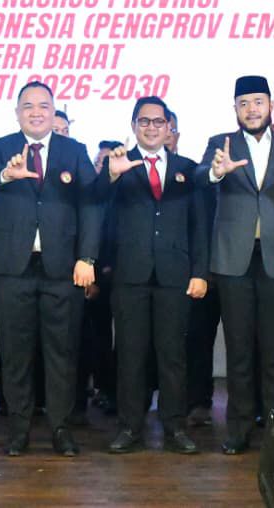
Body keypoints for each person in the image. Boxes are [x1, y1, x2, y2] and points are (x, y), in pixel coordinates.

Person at [0, 81, 101, 457]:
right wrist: (6, 175)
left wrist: (87, 257)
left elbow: (91, 204)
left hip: (62, 268)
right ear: (17, 113)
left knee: (62, 352)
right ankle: (19, 428)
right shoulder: (0, 147)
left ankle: (61, 427)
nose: (36, 112)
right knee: (16, 353)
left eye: (43, 106)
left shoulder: (73, 150)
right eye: (27, 106)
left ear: (53, 110)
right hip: (12, 268)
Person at [198, 75, 274, 454]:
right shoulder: (221, 143)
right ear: (235, 109)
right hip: (234, 260)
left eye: (258, 102)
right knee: (239, 350)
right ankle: (239, 428)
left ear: (271, 105)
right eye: (244, 103)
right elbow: (201, 179)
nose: (252, 109)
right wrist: (217, 172)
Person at [97, 97, 206, 454]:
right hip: (130, 274)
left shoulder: (188, 169)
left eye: (159, 122)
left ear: (169, 127)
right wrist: (111, 175)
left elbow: (199, 225)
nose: (152, 127)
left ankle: (175, 427)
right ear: (133, 126)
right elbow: (95, 203)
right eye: (144, 121)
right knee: (130, 355)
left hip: (175, 274)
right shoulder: (119, 165)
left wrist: (200, 272)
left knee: (173, 355)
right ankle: (130, 427)